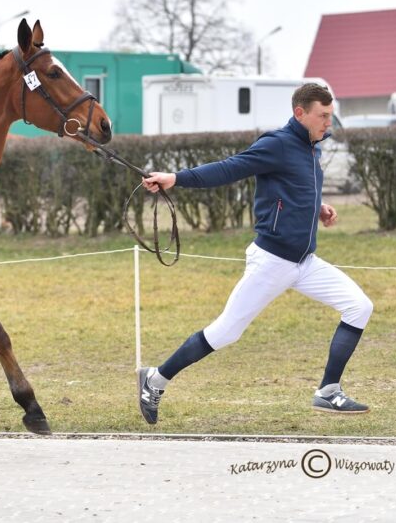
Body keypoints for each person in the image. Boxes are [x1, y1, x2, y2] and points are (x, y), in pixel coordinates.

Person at [137, 83, 373, 424]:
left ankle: (327, 391)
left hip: (305, 262)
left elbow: (293, 186)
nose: (328, 122)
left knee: (359, 306)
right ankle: (154, 380)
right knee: (226, 332)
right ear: (300, 113)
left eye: (330, 115)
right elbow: (229, 168)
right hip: (273, 261)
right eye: (322, 116)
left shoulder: (311, 147)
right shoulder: (277, 144)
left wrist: (317, 207)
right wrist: (175, 178)